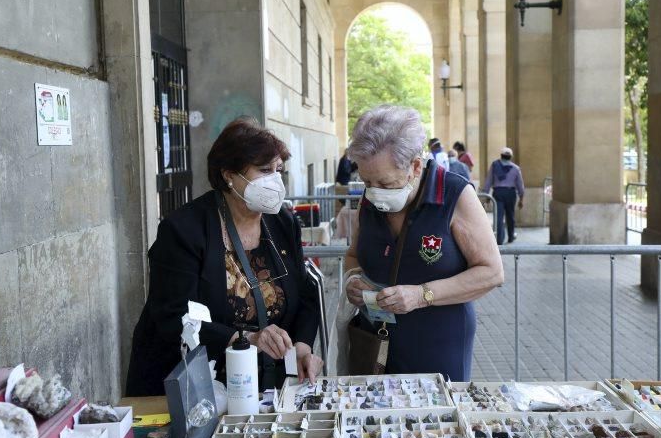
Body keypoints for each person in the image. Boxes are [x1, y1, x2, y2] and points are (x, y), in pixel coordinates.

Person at [126, 117, 323, 396]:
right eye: (264, 170)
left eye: (279, 170)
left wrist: (302, 348)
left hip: (268, 386)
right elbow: (173, 315)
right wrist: (247, 339)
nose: (275, 181)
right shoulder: (184, 229)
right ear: (229, 174)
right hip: (199, 384)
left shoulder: (282, 222)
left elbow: (304, 293)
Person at [344, 105, 504, 381]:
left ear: (415, 166)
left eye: (385, 182)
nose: (375, 193)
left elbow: (491, 272)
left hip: (438, 345)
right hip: (374, 346)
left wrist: (421, 295)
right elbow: (353, 256)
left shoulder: (455, 194)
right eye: (367, 181)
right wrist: (353, 280)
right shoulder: (367, 199)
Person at [485, 147, 525, 244]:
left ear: (501, 155)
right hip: (510, 193)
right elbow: (520, 185)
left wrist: (487, 195)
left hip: (498, 193)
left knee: (499, 217)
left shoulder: (495, 166)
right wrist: (521, 198)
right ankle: (511, 236)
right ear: (511, 157)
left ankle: (499, 239)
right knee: (510, 215)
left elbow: (489, 181)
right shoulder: (515, 168)